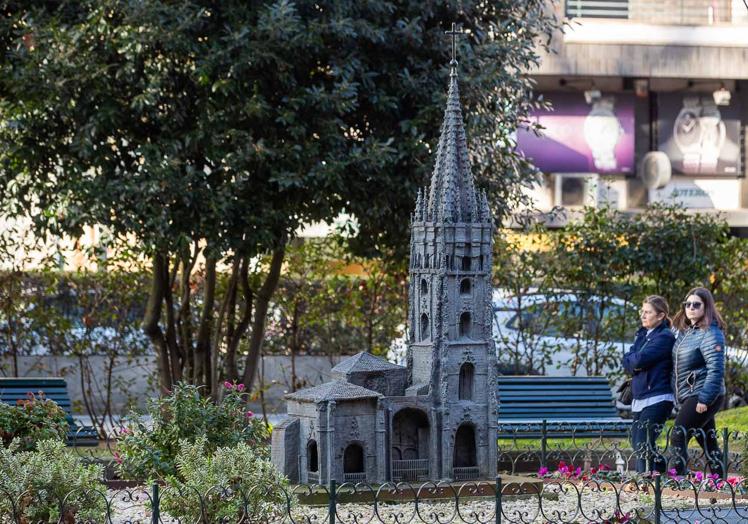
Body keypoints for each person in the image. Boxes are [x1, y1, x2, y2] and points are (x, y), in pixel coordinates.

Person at [670, 287, 726, 477]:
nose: (691, 308)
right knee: (708, 440)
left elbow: (716, 369)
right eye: (688, 304)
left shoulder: (711, 332)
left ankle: (681, 479)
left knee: (678, 435)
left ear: (706, 307)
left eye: (696, 304)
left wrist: (704, 399)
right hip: (691, 394)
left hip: (703, 394)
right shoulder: (687, 332)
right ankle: (721, 482)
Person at [623, 295, 675, 474]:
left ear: (660, 316)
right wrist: (633, 361)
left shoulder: (665, 337)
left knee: (642, 442)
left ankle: (644, 479)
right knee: (637, 441)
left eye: (648, 312)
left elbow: (638, 361)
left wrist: (633, 361)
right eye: (642, 311)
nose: (643, 315)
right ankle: (659, 471)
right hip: (640, 396)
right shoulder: (642, 334)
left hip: (658, 398)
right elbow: (627, 360)